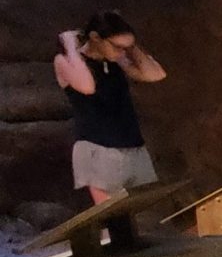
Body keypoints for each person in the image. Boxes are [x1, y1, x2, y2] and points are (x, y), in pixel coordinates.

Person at [54, 11, 167, 204]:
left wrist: (131, 49)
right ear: (96, 38)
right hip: (98, 147)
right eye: (117, 46)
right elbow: (87, 86)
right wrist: (71, 48)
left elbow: (156, 74)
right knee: (112, 216)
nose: (121, 52)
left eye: (125, 47)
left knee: (140, 212)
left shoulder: (116, 60)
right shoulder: (65, 61)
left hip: (132, 144)